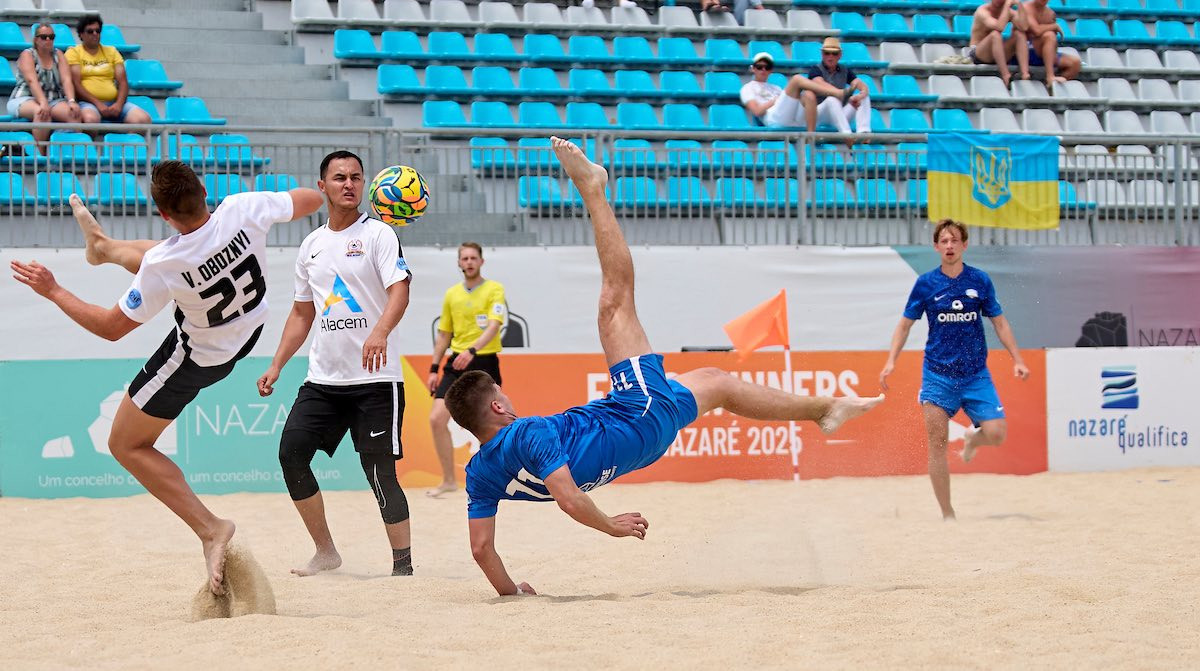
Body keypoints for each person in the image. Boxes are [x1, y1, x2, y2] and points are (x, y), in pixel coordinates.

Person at [444, 138, 885, 596]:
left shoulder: (479, 474)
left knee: (716, 383)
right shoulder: (526, 433)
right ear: (497, 405)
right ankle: (593, 187)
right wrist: (612, 526)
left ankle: (822, 410)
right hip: (636, 413)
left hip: (642, 441)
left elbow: (481, 550)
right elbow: (570, 499)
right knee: (614, 303)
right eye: (503, 393)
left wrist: (511, 592)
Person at [9, 162, 324, 594]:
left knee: (124, 443)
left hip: (198, 358)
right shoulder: (242, 208)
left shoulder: (163, 263)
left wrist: (53, 290)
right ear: (204, 189)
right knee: (172, 257)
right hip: (249, 333)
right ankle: (103, 247)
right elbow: (311, 199)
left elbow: (110, 328)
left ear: (162, 212)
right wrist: (291, 201)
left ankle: (211, 529)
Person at [256, 151, 415, 578]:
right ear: (322, 186)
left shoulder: (379, 234)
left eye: (357, 178)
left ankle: (403, 568)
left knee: (379, 473)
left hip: (376, 381)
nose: (350, 184)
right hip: (323, 381)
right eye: (340, 177)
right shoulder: (311, 246)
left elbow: (400, 291)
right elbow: (301, 314)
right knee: (291, 455)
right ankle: (326, 551)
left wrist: (379, 331)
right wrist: (277, 365)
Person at [878, 220, 1030, 521]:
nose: (949, 246)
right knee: (938, 446)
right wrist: (891, 360)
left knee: (997, 433)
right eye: (944, 241)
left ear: (964, 245)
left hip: (975, 374)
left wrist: (1018, 359)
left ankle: (974, 439)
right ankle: (948, 514)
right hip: (937, 376)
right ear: (936, 246)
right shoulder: (925, 284)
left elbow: (999, 322)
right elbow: (905, 325)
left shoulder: (980, 280)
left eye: (955, 240)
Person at [426, 242, 507, 498]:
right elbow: (444, 334)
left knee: (497, 422)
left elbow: (494, 326)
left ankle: (505, 477)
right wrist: (433, 368)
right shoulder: (452, 294)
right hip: (456, 363)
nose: (469, 262)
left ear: (481, 262)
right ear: (459, 263)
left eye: (474, 258)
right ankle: (449, 480)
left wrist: (471, 351)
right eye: (465, 258)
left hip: (483, 360)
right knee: (436, 419)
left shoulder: (494, 289)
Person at [65, 14, 152, 125]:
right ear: (81, 35)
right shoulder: (74, 52)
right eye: (90, 31)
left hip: (114, 103)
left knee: (143, 119)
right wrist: (98, 104)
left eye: (98, 31)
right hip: (87, 103)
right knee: (90, 120)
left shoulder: (111, 51)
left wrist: (119, 104)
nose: (95, 34)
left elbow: (123, 82)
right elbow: (76, 84)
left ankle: (125, 142)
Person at [7, 22, 82, 143]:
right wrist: (42, 102)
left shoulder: (58, 54)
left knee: (74, 114)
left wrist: (71, 101)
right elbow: (32, 81)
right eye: (44, 37)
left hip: (53, 99)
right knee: (41, 113)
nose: (48, 40)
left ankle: (69, 151)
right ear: (36, 39)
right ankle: (40, 156)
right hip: (25, 97)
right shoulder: (28, 54)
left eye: (51, 37)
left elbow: (66, 79)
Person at [739, 52, 848, 130]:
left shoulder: (775, 87)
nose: (763, 70)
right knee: (796, 79)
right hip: (773, 118)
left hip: (791, 117)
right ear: (753, 68)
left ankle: (811, 136)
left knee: (809, 95)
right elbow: (757, 111)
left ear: (771, 70)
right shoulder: (747, 88)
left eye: (767, 67)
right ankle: (837, 92)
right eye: (759, 67)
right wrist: (775, 100)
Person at [802, 37, 872, 138]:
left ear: (839, 55)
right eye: (827, 53)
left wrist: (860, 95)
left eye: (834, 53)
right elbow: (820, 83)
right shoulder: (816, 70)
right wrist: (841, 93)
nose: (830, 57)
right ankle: (846, 135)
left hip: (839, 113)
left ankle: (864, 133)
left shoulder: (845, 70)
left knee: (864, 97)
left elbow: (861, 85)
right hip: (820, 113)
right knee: (831, 99)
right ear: (822, 54)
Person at [1015, 0, 1082, 90]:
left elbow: (1053, 42)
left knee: (1075, 63)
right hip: (1026, 52)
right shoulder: (1026, 8)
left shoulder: (1050, 13)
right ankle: (1050, 76)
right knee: (1049, 35)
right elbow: (1036, 31)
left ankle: (1051, 88)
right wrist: (1054, 26)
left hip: (1044, 53)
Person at [966, 0, 1027, 88]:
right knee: (995, 34)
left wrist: (1020, 5)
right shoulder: (983, 11)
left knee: (1020, 35)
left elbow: (1024, 27)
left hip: (997, 53)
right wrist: (1007, 6)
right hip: (979, 53)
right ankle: (1006, 75)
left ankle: (1025, 74)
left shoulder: (1008, 11)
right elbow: (999, 27)